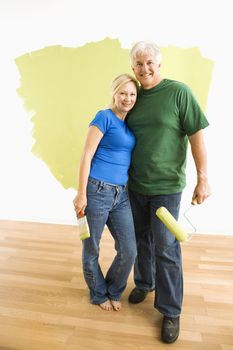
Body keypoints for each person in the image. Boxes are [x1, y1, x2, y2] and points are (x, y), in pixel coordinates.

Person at [126, 41, 211, 343]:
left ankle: (171, 310)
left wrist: (203, 177)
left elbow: (196, 133)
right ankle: (144, 282)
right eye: (138, 64)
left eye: (149, 62)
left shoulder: (179, 92)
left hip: (166, 187)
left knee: (166, 248)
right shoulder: (132, 95)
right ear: (132, 67)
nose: (144, 69)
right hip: (134, 184)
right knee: (140, 239)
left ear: (159, 64)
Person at [73, 74, 139, 312]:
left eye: (132, 94)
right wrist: (81, 193)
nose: (128, 98)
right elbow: (86, 156)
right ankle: (98, 292)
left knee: (129, 249)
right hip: (97, 189)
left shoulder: (128, 124)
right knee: (92, 248)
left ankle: (113, 289)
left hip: (121, 195)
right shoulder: (104, 117)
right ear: (114, 93)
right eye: (123, 93)